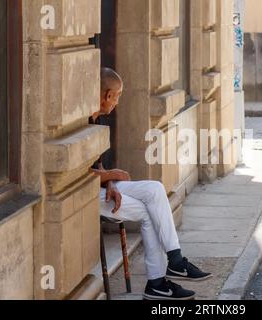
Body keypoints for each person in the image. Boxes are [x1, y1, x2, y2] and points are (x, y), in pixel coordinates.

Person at [90, 68, 213, 301]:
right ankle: (156, 282)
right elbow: (75, 178)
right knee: (150, 213)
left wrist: (112, 184)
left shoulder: (96, 120)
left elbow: (98, 170)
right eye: (117, 96)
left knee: (155, 189)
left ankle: (175, 260)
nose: (117, 101)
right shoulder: (83, 122)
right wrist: (112, 175)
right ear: (107, 95)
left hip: (103, 190)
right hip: (85, 198)